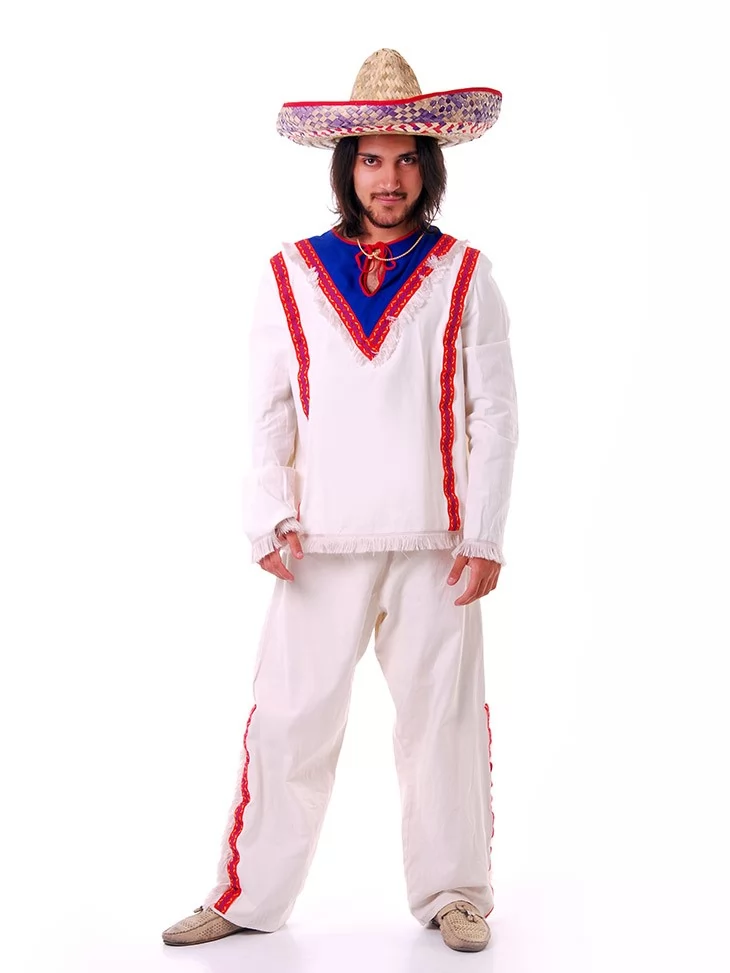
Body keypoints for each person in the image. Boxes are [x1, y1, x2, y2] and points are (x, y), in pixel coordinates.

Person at [162, 48, 518, 954]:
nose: (387, 179)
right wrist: (268, 513)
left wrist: (483, 533)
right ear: (345, 167)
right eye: (370, 160)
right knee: (290, 718)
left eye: (404, 160)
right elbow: (268, 407)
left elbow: (494, 412)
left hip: (437, 541)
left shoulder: (466, 273)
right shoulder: (290, 272)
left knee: (441, 721)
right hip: (317, 541)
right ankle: (246, 894)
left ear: (427, 167)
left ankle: (455, 893)